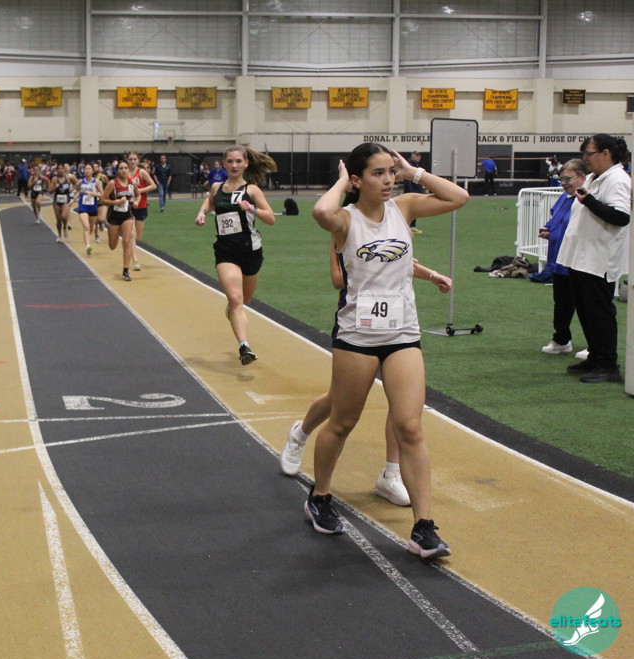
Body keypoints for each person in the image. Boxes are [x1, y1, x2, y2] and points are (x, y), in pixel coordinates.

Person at [305, 142, 468, 560]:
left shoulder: (405, 207)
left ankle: (423, 526)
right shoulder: (345, 219)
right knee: (343, 421)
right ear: (358, 179)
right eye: (378, 173)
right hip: (357, 336)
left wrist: (413, 172)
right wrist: (342, 182)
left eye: (390, 172)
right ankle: (320, 495)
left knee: (410, 427)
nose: (388, 180)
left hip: (402, 334)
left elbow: (458, 197)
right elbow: (321, 211)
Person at [280, 243, 453, 508]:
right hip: (358, 328)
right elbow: (338, 279)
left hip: (397, 326)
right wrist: (377, 266)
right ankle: (299, 434)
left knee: (401, 403)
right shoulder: (345, 228)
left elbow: (404, 262)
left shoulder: (395, 226)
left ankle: (391, 473)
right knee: (339, 400)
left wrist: (431, 275)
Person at [556, 134, 630, 384]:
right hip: (581, 257)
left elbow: (621, 217)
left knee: (600, 312)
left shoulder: (618, 179)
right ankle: (596, 356)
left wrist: (589, 200)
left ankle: (608, 363)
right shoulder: (594, 177)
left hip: (599, 258)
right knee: (586, 310)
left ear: (606, 153)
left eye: (589, 154)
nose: (585, 159)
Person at [194, 145, 277, 364]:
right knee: (235, 298)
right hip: (226, 252)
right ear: (223, 163)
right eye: (230, 161)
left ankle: (233, 311)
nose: (234, 165)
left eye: (238, 161)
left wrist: (252, 209)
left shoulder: (252, 190)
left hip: (251, 251)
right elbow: (210, 201)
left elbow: (270, 218)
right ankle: (244, 347)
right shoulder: (216, 187)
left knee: (243, 300)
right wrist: (202, 213)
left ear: (246, 163)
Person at [537, 159, 586, 356]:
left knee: (586, 305)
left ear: (582, 177)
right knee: (562, 303)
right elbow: (556, 219)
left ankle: (596, 346)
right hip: (559, 261)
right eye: (561, 179)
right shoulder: (564, 198)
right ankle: (561, 339)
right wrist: (548, 229)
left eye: (568, 179)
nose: (564, 183)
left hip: (578, 262)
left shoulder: (584, 201)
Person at [101, 160, 138, 281]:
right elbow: (103, 199)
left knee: (127, 241)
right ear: (117, 171)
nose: (124, 170)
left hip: (127, 215)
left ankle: (126, 271)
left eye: (126, 168)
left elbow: (138, 194)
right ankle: (108, 229)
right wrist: (116, 202)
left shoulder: (132, 182)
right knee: (112, 245)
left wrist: (136, 202)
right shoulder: (113, 183)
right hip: (114, 217)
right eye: (121, 168)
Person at [126, 151, 156, 271]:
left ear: (138, 161)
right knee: (131, 234)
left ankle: (132, 251)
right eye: (130, 159)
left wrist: (139, 191)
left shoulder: (141, 172)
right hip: (128, 206)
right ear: (127, 160)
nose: (132, 161)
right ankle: (135, 260)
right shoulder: (124, 173)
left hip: (141, 205)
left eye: (134, 159)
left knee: (137, 237)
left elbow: (153, 185)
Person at [76, 163, 103, 255]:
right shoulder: (81, 181)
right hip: (82, 207)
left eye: (89, 169)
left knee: (91, 229)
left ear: (92, 171)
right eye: (86, 169)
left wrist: (92, 194)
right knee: (86, 227)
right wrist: (72, 199)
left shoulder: (96, 182)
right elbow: (78, 191)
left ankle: (90, 236)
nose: (87, 170)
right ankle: (88, 246)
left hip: (93, 208)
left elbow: (102, 195)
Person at [50, 164, 78, 244]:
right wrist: (55, 187)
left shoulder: (68, 178)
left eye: (62, 168)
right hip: (57, 200)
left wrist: (72, 189)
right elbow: (50, 191)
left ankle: (65, 226)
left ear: (64, 170)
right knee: (58, 219)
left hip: (66, 199)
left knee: (63, 216)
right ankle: (59, 235)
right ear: (56, 170)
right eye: (59, 169)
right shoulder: (54, 179)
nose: (60, 170)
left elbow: (77, 183)